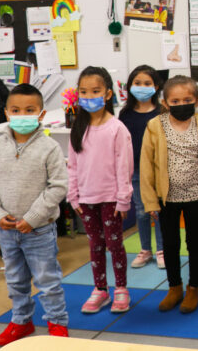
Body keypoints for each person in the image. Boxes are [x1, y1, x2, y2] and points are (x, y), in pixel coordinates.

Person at [0, 84, 69, 346]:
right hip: (7, 230)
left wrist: (34, 217)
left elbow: (58, 187)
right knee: (15, 281)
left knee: (48, 281)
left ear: (41, 114)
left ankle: (57, 323)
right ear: (6, 113)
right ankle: (21, 321)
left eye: (30, 110)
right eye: (16, 110)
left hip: (39, 230)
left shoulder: (49, 148)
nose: (22, 115)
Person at [140, 75, 198, 314]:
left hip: (196, 195)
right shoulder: (155, 126)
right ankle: (174, 287)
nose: (181, 103)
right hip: (167, 198)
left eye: (187, 99)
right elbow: (146, 165)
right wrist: (150, 201)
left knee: (195, 243)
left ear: (196, 100)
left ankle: (193, 287)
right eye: (175, 100)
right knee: (170, 244)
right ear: (165, 102)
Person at [67, 66, 133, 314]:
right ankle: (100, 289)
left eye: (95, 91)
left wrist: (123, 200)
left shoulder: (117, 129)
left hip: (111, 200)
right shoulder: (78, 127)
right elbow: (72, 166)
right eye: (83, 91)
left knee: (115, 246)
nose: (89, 96)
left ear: (107, 94)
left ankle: (121, 289)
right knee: (94, 244)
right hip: (85, 199)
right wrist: (73, 196)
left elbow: (124, 167)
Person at [119, 65, 164, 269]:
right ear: (130, 86)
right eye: (137, 83)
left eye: (147, 83)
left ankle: (162, 250)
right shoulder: (125, 113)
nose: (142, 87)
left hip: (158, 170)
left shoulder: (162, 112)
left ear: (156, 86)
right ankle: (145, 249)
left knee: (159, 211)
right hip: (135, 170)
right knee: (141, 212)